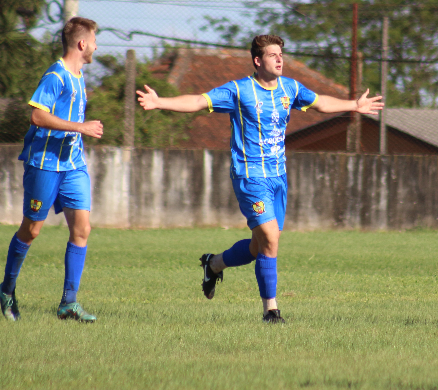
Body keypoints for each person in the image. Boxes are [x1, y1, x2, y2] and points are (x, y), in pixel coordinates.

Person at [137, 35, 383, 323]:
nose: (280, 59)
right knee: (270, 239)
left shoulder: (289, 87)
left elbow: (321, 103)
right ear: (258, 60)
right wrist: (159, 102)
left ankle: (213, 264)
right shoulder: (239, 91)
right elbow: (198, 101)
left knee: (260, 247)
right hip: (250, 177)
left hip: (278, 177)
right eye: (273, 55)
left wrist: (354, 105)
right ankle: (271, 311)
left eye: (281, 54)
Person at [0, 17, 103, 322]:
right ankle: (7, 288)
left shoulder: (80, 76)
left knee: (82, 229)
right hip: (44, 164)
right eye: (94, 40)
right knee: (32, 230)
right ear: (82, 44)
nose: (96, 46)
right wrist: (80, 127)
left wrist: (79, 132)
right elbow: (37, 117)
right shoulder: (55, 76)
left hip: (73, 165)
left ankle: (69, 303)